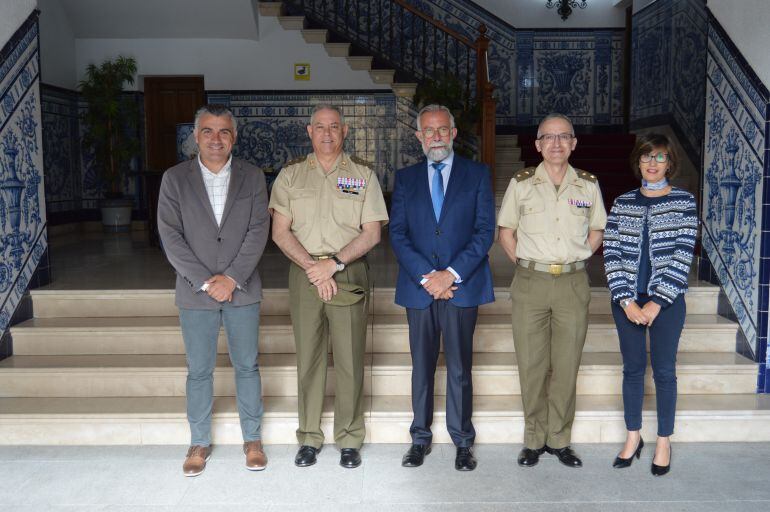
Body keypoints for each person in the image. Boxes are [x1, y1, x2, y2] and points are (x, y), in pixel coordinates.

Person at [269, 104, 388, 469]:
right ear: (309, 131)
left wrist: (333, 265)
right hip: (304, 274)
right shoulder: (290, 176)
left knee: (350, 358)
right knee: (309, 358)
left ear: (345, 131)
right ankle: (308, 437)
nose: (326, 133)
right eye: (320, 126)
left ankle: (349, 437)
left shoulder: (363, 175)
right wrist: (313, 268)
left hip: (348, 271)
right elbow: (279, 231)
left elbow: (372, 232)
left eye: (334, 126)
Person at [157, 104, 270, 476]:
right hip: (196, 293)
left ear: (234, 137)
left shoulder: (253, 177)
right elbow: (171, 237)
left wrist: (232, 278)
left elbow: (258, 231)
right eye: (208, 131)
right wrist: (207, 281)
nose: (216, 138)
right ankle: (199, 442)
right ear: (196, 135)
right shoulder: (174, 179)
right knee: (199, 370)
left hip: (242, 289)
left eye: (224, 131)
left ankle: (252, 439)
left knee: (247, 366)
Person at [390, 104, 495, 472]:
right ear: (418, 137)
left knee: (460, 367)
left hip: (461, 288)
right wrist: (427, 277)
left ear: (453, 133)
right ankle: (420, 437)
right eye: (428, 131)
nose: (436, 136)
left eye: (442, 130)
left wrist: (449, 274)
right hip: (419, 289)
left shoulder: (478, 174)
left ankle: (462, 440)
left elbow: (485, 233)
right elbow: (398, 235)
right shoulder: (405, 178)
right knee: (421, 366)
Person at [497, 113, 606, 469]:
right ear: (538, 144)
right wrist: (530, 265)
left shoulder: (588, 185)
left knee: (566, 364)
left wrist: (576, 259)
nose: (556, 143)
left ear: (574, 143)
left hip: (573, 284)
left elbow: (596, 232)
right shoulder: (522, 182)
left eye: (564, 137)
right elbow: (506, 234)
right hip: (531, 283)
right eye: (549, 137)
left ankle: (559, 439)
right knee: (531, 364)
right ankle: (533, 439)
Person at [603, 133, 697, 476]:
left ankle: (663, 441)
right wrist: (627, 301)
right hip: (626, 300)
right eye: (647, 157)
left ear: (670, 162)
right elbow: (611, 254)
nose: (653, 164)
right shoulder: (622, 202)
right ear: (637, 162)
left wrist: (657, 302)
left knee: (664, 371)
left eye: (660, 157)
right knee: (632, 369)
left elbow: (683, 255)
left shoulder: (684, 202)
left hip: (667, 302)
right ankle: (633, 437)